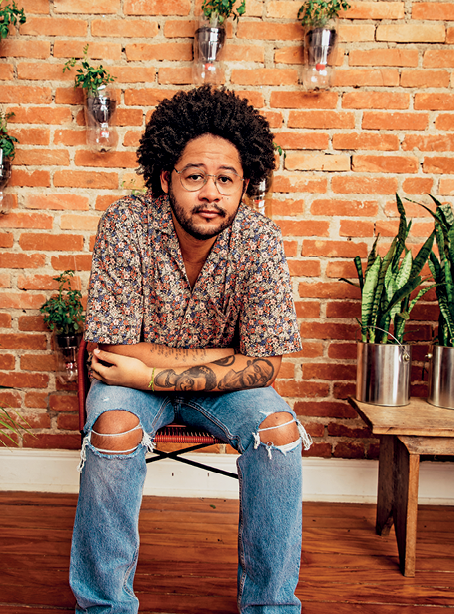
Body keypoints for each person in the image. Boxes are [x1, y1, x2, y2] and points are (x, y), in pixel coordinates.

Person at [69, 85, 311, 614]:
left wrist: (150, 374)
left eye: (226, 179)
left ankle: (271, 606)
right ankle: (105, 606)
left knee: (279, 430)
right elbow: (111, 350)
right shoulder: (126, 225)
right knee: (114, 429)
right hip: (138, 385)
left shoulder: (260, 240)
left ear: (245, 184)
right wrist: (220, 361)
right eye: (195, 176)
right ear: (166, 179)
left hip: (193, 388)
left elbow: (266, 363)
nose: (210, 193)